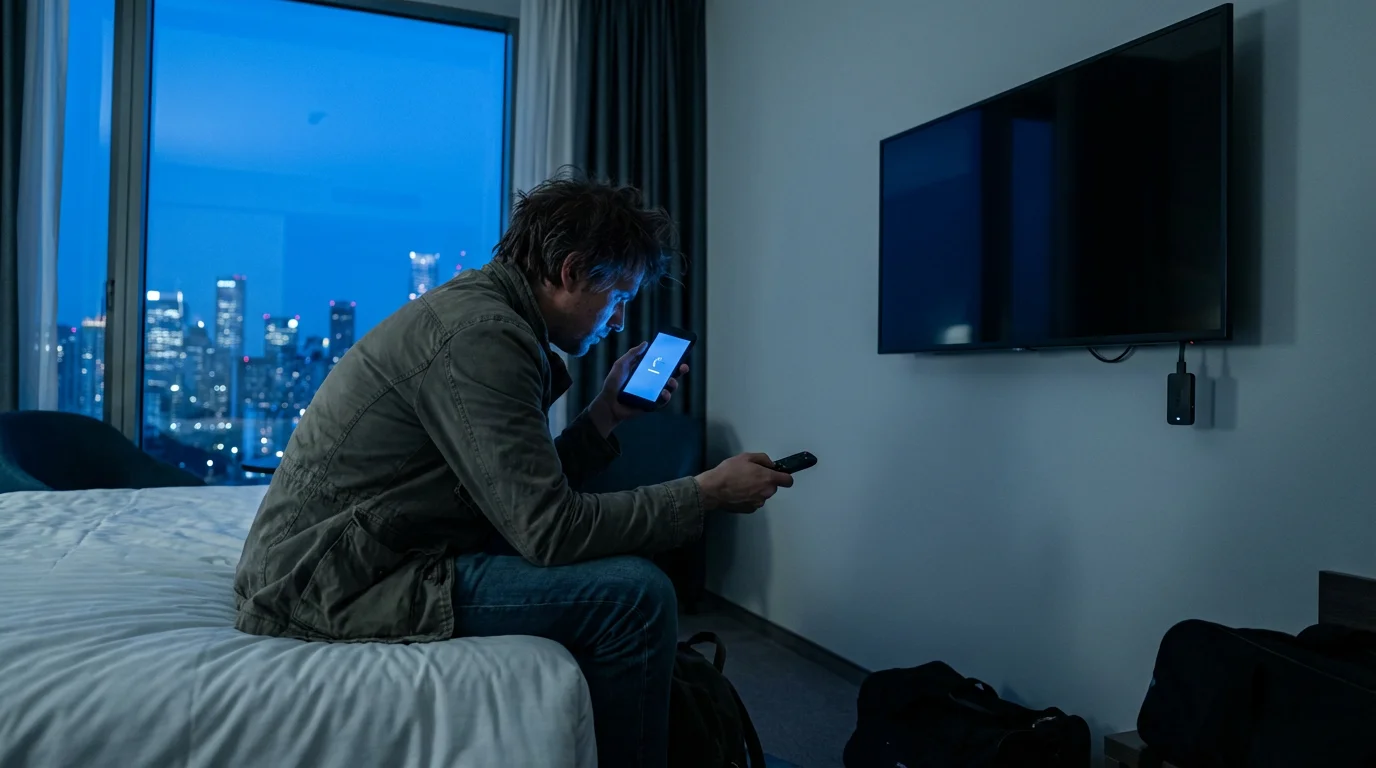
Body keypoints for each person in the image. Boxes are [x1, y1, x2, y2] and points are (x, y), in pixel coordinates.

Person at [232, 172, 795, 768]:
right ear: (571, 271)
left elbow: (512, 494)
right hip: (329, 583)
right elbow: (550, 531)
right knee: (637, 595)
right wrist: (705, 493)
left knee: (621, 581)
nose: (620, 321)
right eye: (619, 296)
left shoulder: (485, 314)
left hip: (343, 555)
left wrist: (606, 412)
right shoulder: (485, 337)